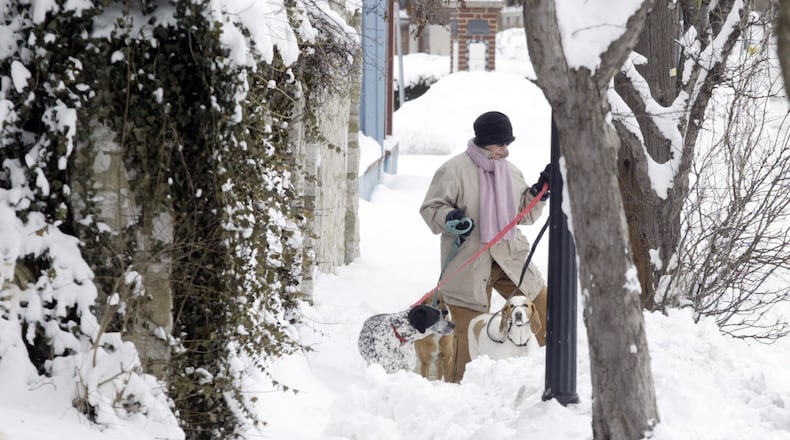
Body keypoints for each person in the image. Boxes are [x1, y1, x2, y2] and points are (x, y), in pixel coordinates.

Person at [419, 110, 551, 383]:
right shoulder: (454, 170)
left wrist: (540, 190)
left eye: (508, 144)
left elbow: (523, 214)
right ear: (484, 141)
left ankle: (545, 378)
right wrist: (451, 218)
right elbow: (431, 209)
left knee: (546, 314)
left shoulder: (510, 172)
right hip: (469, 265)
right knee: (466, 341)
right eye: (500, 144)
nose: (505, 151)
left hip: (511, 260)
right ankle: (457, 392)